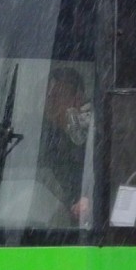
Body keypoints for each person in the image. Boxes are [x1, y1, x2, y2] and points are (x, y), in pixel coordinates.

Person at [38, 67, 91, 220]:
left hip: (76, 224)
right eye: (48, 95)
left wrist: (88, 198)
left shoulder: (93, 137)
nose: (50, 100)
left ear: (77, 99)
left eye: (57, 95)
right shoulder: (40, 136)